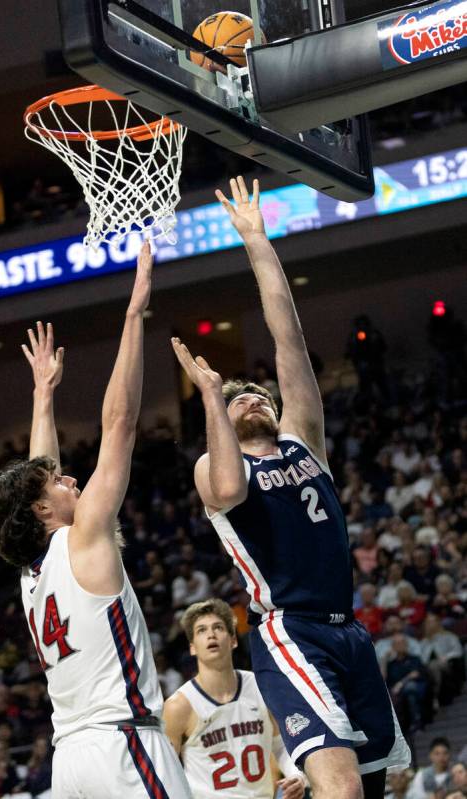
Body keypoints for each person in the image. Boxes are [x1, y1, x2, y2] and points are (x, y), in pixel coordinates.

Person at [170, 176, 410, 799]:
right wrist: (210, 400)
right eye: (237, 396)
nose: (253, 394)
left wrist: (256, 240)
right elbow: (223, 483)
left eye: (260, 394)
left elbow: (289, 342)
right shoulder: (217, 468)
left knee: (375, 787)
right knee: (342, 788)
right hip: (289, 630)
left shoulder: (304, 442)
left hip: (348, 631)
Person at [0, 244, 191, 799]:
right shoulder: (83, 537)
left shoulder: (30, 570)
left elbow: (37, 475)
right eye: (60, 483)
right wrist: (133, 312)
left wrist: (43, 396)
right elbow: (119, 425)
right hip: (122, 747)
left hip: (69, 761)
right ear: (44, 511)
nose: (71, 479)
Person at [163, 598, 305, 799]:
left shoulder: (261, 686)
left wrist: (296, 775)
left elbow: (280, 745)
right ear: (192, 647)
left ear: (233, 640)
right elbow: (165, 773)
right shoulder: (179, 706)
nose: (211, 634)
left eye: (218, 627)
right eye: (201, 630)